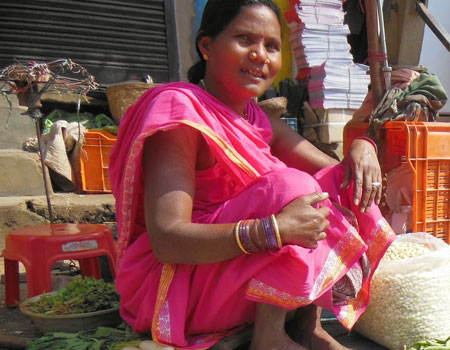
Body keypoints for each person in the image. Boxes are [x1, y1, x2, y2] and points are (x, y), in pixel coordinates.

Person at [108, 1, 395, 349]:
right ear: (207, 46)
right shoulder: (180, 113)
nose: (260, 56)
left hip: (234, 280)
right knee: (292, 185)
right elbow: (168, 241)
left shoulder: (259, 121)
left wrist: (363, 146)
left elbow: (332, 175)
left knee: (341, 187)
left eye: (271, 46)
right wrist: (273, 230)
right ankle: (270, 337)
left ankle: (306, 325)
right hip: (178, 287)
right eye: (245, 40)